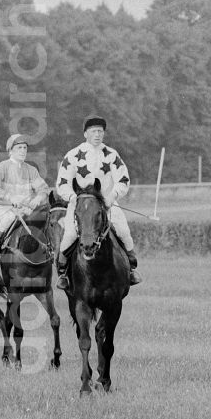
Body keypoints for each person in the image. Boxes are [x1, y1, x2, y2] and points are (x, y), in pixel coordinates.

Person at [55, 115, 140, 290]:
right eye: (93, 131)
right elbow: (62, 182)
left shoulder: (111, 154)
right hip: (80, 206)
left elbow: (123, 180)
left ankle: (131, 268)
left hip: (107, 204)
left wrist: (112, 196)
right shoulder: (72, 155)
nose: (97, 134)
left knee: (123, 230)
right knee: (69, 236)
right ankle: (63, 274)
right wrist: (72, 198)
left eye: (100, 131)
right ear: (85, 133)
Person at [0, 133, 50, 261]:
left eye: (25, 148)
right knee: (9, 218)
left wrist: (38, 199)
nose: (23, 150)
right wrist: (9, 197)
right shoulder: (2, 167)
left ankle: (50, 251)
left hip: (26, 210)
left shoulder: (31, 170)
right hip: (5, 208)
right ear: (10, 150)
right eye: (19, 148)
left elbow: (43, 189)